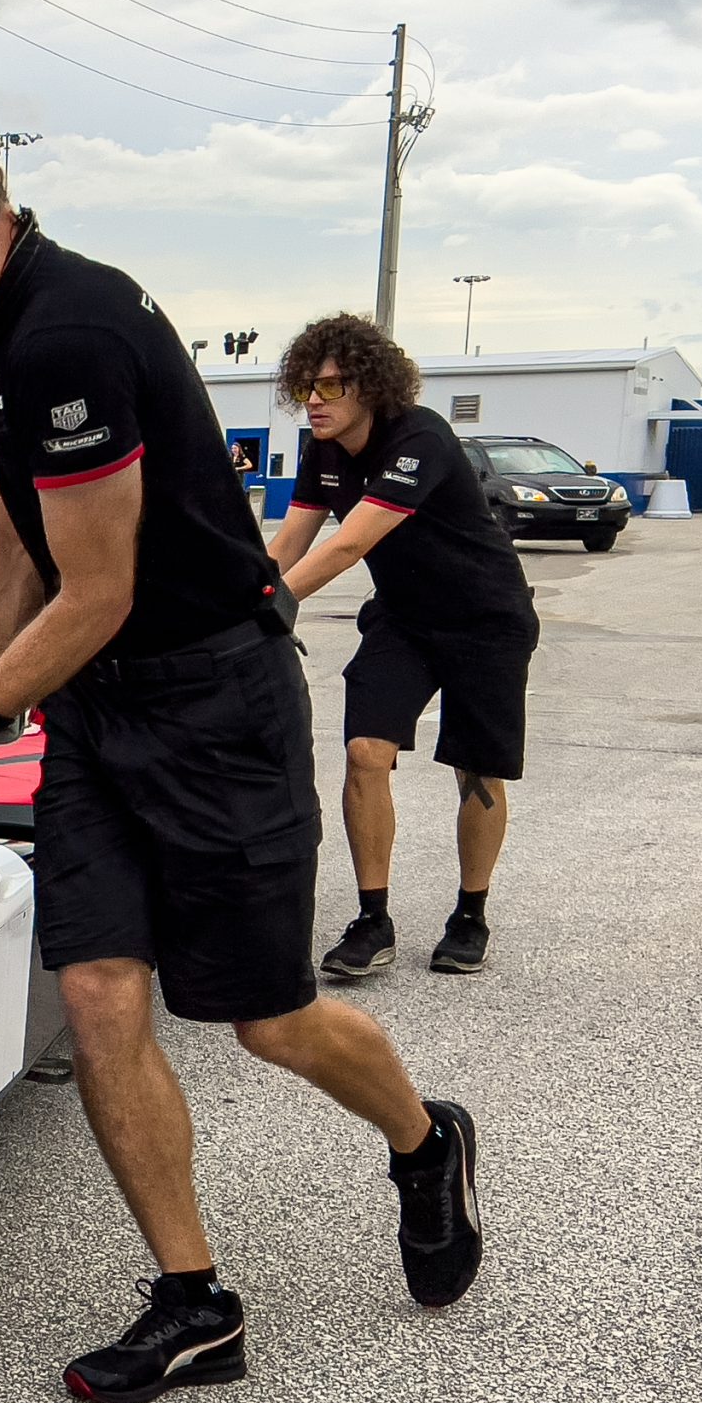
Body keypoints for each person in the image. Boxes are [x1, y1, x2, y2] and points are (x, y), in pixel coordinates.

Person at [0, 81, 483, 1403]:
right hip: (100, 712)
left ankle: (421, 1137)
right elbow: (14, 537)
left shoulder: (71, 331)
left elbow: (98, 589)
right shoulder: (0, 334)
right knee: (104, 992)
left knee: (264, 1016)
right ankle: (196, 1302)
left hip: (214, 701)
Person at [266, 315, 538, 979]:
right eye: (307, 388)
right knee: (364, 751)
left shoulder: (420, 437)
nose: (317, 401)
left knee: (476, 769)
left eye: (332, 387)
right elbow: (288, 545)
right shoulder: (323, 450)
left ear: (372, 385)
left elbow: (350, 543)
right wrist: (239, 596)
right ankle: (372, 918)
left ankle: (470, 915)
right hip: (404, 619)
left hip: (486, 618)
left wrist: (267, 610)